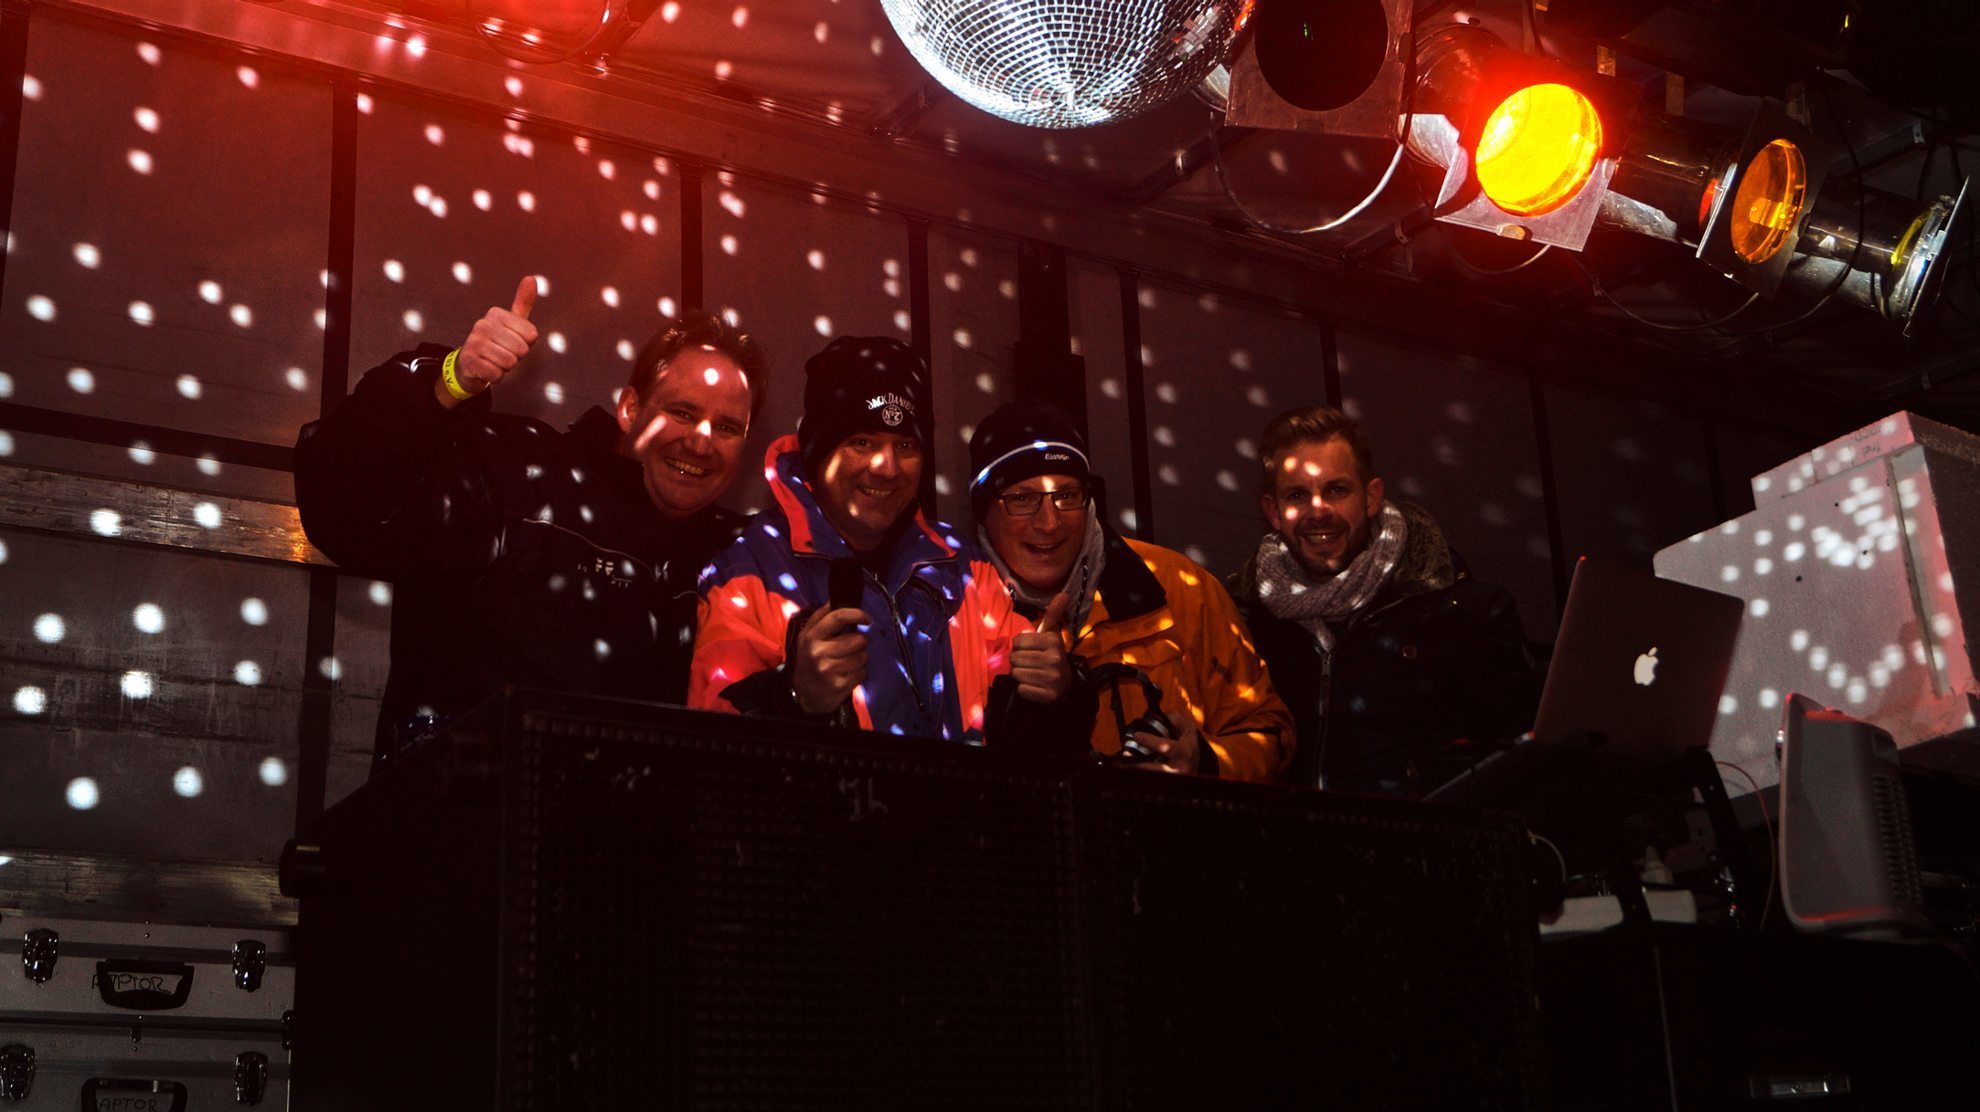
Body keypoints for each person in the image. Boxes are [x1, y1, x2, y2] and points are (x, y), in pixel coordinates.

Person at [296, 276, 764, 771]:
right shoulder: (519, 474)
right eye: (683, 412)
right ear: (630, 409)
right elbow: (346, 507)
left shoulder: (743, 555)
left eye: (727, 426)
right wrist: (450, 381)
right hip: (460, 814)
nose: (701, 442)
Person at [689, 337, 1069, 741]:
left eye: (905, 445)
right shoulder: (750, 569)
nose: (886, 468)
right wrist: (792, 696)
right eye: (863, 442)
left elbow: (1024, 745)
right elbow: (712, 744)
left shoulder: (964, 567)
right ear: (818, 452)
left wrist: (1058, 694)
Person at [967, 401, 1293, 781]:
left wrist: (1206, 760)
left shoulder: (1177, 588)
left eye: (1067, 495)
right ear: (983, 510)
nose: (1050, 522)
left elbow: (1269, 732)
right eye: (1022, 499)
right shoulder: (957, 612)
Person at [1228, 405, 1542, 797]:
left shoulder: (1464, 615)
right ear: (1273, 512)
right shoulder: (1241, 627)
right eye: (1297, 495)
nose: (1318, 510)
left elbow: (1525, 770)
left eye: (1336, 490)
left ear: (1372, 497)